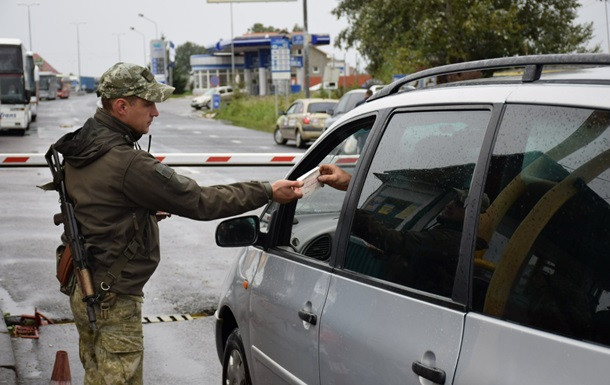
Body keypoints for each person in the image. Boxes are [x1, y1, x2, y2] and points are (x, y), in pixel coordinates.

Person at [51, 62, 303, 385]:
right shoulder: (128, 163)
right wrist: (267, 190)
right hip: (111, 298)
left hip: (82, 287)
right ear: (121, 106)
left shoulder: (82, 145)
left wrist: (139, 213)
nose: (155, 111)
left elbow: (96, 205)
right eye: (148, 103)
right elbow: (201, 201)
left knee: (97, 373)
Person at [318, 163, 489, 296]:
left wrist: (353, 208)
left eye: (460, 204)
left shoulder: (449, 239)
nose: (451, 205)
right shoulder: (447, 232)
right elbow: (418, 258)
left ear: (474, 216)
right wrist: (386, 253)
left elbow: (399, 241)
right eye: (453, 199)